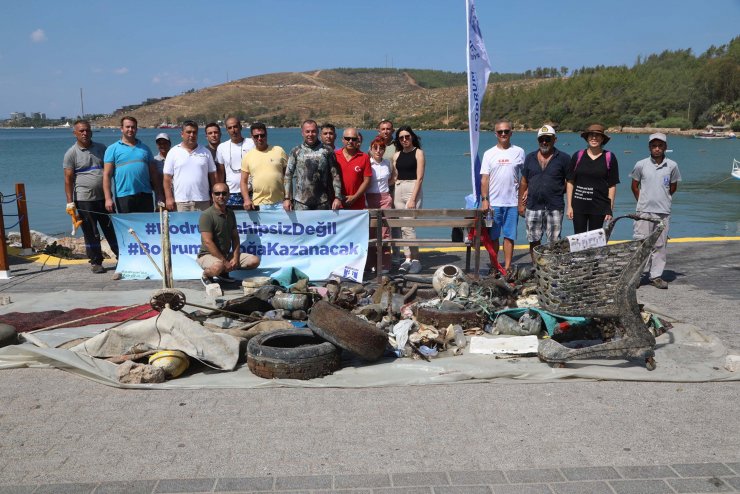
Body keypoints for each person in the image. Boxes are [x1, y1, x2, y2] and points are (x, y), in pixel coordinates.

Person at [63, 119, 119, 273]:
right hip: (84, 199)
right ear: (75, 133)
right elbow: (68, 180)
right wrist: (70, 202)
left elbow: (112, 170)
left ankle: (122, 257)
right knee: (91, 232)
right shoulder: (71, 153)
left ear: (91, 131)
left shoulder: (102, 148)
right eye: (81, 131)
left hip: (104, 197)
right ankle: (96, 262)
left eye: (87, 130)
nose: (85, 133)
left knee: (111, 229)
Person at [630, 133, 681, 289]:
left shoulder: (672, 165)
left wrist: (662, 199)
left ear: (665, 147)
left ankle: (656, 276)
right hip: (644, 211)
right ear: (649, 147)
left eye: (660, 146)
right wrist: (643, 202)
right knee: (641, 244)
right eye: (654, 146)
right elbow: (634, 185)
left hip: (663, 212)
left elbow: (673, 187)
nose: (657, 149)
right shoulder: (641, 164)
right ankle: (636, 277)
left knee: (660, 245)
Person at [518, 125, 570, 263]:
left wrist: (558, 190)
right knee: (534, 240)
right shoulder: (530, 157)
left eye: (548, 139)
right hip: (533, 205)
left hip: (554, 206)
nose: (544, 142)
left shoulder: (564, 158)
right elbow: (523, 182)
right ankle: (537, 268)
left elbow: (569, 182)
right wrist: (520, 205)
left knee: (554, 242)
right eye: (542, 139)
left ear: (555, 139)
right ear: (538, 140)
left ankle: (552, 268)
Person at [480, 119, 525, 273]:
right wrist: (485, 200)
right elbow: (484, 179)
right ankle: (494, 266)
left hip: (512, 202)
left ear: (511, 133)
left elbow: (525, 176)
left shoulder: (519, 151)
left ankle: (507, 267)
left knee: (509, 236)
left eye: (506, 131)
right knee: (493, 237)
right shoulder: (489, 153)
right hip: (494, 204)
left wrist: (525, 194)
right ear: (495, 134)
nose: (503, 134)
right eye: (500, 132)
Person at [197, 183, 260, 286]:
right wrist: (224, 262)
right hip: (206, 255)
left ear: (229, 195)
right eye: (217, 193)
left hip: (225, 255)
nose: (221, 196)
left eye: (224, 193)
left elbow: (235, 237)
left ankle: (223, 273)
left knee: (254, 261)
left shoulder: (230, 213)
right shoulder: (206, 215)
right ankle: (206, 275)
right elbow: (208, 242)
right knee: (218, 266)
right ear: (212, 195)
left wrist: (235, 258)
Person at [566, 124, 620, 234]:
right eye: (591, 135)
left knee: (595, 240)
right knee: (579, 239)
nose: (594, 138)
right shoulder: (578, 156)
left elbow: (612, 185)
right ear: (587, 138)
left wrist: (609, 209)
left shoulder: (609, 157)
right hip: (578, 206)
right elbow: (570, 182)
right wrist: (569, 206)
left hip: (599, 207)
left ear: (603, 139)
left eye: (598, 135)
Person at [103, 116, 160, 213]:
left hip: (145, 195)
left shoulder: (145, 149)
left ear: (136, 129)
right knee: (128, 228)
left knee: (145, 226)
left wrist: (159, 196)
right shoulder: (112, 149)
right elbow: (107, 175)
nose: (130, 129)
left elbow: (154, 174)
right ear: (122, 128)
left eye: (133, 127)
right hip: (124, 196)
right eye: (127, 127)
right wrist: (108, 199)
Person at [283, 119, 343, 211]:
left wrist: (338, 197)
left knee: (323, 225)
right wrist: (287, 198)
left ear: (318, 132)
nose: (310, 134)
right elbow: (288, 175)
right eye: (307, 132)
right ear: (302, 133)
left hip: (322, 202)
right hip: (301, 203)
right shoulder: (296, 151)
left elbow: (335, 175)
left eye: (313, 131)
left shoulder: (327, 150)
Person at [391, 126, 425, 274]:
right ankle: (407, 259)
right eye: (401, 137)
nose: (404, 140)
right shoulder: (396, 155)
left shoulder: (418, 153)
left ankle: (416, 260)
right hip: (399, 188)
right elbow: (394, 177)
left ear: (412, 137)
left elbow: (420, 178)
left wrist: (413, 199)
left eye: (407, 136)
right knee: (402, 226)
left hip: (413, 189)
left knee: (409, 226)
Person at [163, 121, 217, 212]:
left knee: (204, 226)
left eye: (194, 132)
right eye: (188, 132)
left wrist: (214, 195)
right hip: (181, 202)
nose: (192, 135)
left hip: (203, 200)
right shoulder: (173, 152)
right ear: (182, 134)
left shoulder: (205, 152)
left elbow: (213, 176)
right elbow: (167, 178)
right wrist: (169, 198)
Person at [240, 122, 288, 211]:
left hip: (280, 204)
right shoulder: (248, 156)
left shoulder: (279, 151)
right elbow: (243, 181)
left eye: (262, 135)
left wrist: (288, 198)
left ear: (266, 135)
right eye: (256, 136)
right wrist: (246, 199)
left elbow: (287, 177)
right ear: (252, 137)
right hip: (258, 204)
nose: (259, 138)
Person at [366, 135, 395, 272]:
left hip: (385, 199)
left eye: (381, 148)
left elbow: (392, 178)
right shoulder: (367, 163)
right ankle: (371, 263)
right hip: (370, 198)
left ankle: (385, 264)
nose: (378, 150)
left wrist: (386, 192)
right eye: (375, 148)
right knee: (371, 232)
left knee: (384, 232)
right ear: (371, 149)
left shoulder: (388, 163)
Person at [216, 117, 255, 210]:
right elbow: (221, 173)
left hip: (252, 192)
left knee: (254, 223)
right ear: (226, 130)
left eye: (235, 127)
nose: (233, 130)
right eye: (230, 128)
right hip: (231, 193)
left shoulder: (252, 143)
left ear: (240, 127)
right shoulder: (222, 147)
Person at [335, 127, 372, 210]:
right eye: (347, 138)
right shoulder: (335, 156)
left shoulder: (364, 157)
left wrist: (355, 197)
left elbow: (367, 181)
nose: (350, 141)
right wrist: (337, 197)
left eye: (353, 139)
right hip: (338, 203)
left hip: (357, 204)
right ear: (342, 140)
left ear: (358, 140)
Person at [152, 132, 171, 204]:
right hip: (160, 197)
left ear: (169, 144)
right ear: (157, 145)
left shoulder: (176, 158)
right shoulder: (154, 161)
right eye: (160, 143)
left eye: (165, 143)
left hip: (177, 196)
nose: (162, 145)